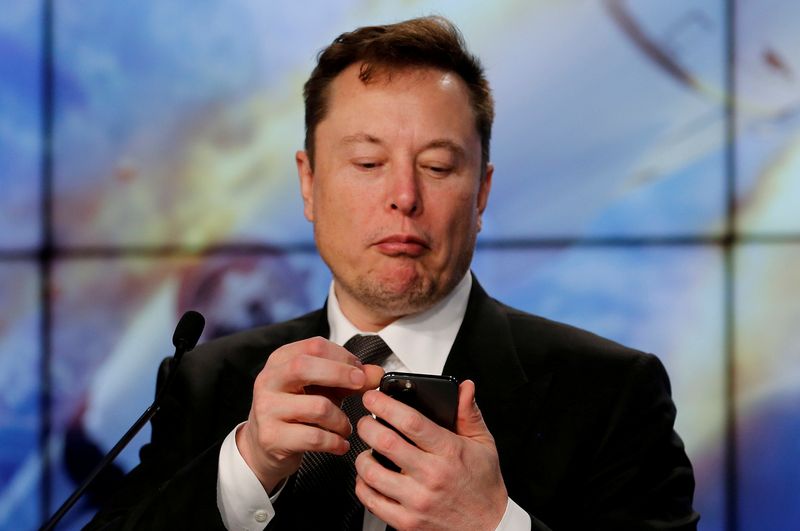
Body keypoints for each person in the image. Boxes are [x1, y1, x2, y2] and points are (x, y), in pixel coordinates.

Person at [86, 16, 699, 531]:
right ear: (309, 183)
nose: (403, 196)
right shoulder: (207, 383)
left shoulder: (614, 394)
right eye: (368, 161)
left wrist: (494, 524)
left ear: (481, 194)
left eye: (437, 166)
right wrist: (244, 469)